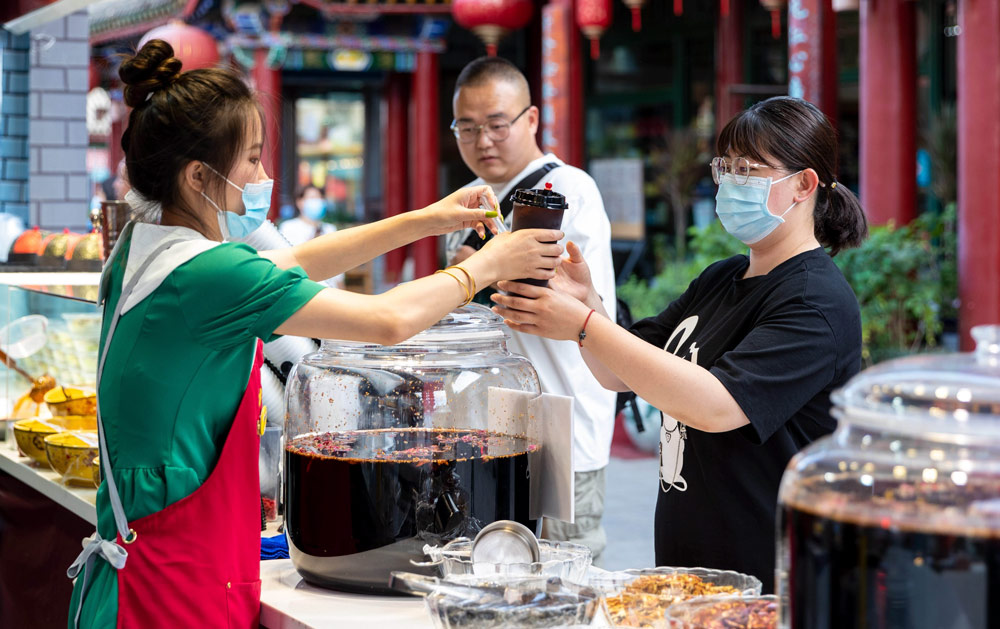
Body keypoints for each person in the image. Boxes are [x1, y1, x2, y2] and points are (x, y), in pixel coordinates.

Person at [66, 40, 563, 629]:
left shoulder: (146, 252)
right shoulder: (209, 273)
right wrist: (486, 264)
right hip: (172, 595)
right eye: (251, 160)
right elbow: (388, 322)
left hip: (132, 580)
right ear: (199, 175)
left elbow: (296, 261)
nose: (264, 176)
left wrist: (431, 217)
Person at [492, 96, 869, 592]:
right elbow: (620, 370)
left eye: (749, 170)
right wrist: (588, 301)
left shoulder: (817, 302)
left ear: (804, 184)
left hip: (769, 581)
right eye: (725, 167)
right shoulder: (723, 278)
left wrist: (584, 323)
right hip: (687, 571)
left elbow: (718, 405)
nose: (731, 182)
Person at [445, 56, 617, 565]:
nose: (484, 140)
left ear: (532, 120)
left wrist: (473, 271)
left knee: (566, 575)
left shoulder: (567, 191)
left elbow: (564, 296)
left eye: (497, 124)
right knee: (495, 571)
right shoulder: (472, 203)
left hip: (561, 431)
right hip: (489, 427)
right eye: (468, 127)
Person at [280, 185, 344, 287]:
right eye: (312, 198)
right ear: (300, 202)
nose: (316, 202)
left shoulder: (329, 229)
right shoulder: (289, 228)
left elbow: (338, 266)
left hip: (330, 288)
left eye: (319, 198)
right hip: (302, 287)